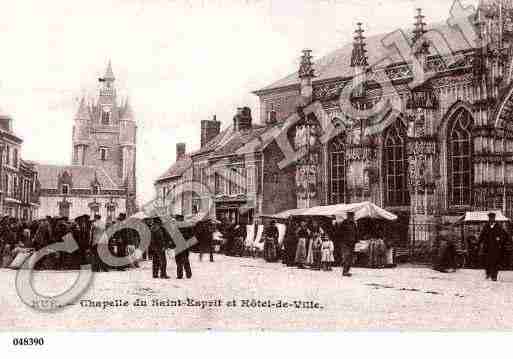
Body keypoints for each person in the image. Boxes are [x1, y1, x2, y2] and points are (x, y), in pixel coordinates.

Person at [479, 212, 508, 281]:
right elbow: (481, 236)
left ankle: (494, 276)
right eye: (490, 218)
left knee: (495, 262)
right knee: (487, 261)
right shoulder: (486, 226)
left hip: (495, 248)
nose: (491, 219)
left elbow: (505, 235)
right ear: (489, 218)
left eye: (492, 218)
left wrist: (500, 240)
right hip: (487, 248)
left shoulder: (498, 227)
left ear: (494, 218)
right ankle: (488, 273)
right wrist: (479, 243)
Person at [339, 212, 359, 277]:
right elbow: (340, 232)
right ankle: (344, 271)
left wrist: (356, 240)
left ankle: (347, 271)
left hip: (352, 243)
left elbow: (356, 233)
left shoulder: (354, 224)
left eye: (353, 216)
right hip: (345, 243)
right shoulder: (344, 223)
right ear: (348, 216)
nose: (352, 217)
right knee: (346, 257)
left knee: (350, 258)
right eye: (351, 216)